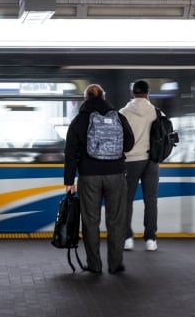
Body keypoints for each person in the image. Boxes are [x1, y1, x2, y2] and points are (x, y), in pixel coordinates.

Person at [63, 84, 134, 274]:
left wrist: (69, 181)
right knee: (116, 221)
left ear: (85, 99)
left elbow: (70, 152)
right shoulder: (118, 117)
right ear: (104, 96)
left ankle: (95, 265)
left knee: (90, 221)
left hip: (89, 176)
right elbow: (129, 144)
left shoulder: (79, 120)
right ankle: (115, 264)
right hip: (116, 174)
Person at [119, 80, 160, 251]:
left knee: (126, 200)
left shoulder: (123, 113)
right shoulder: (156, 112)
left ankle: (127, 238)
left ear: (132, 93)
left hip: (130, 161)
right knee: (150, 200)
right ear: (147, 93)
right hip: (151, 161)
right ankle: (150, 240)